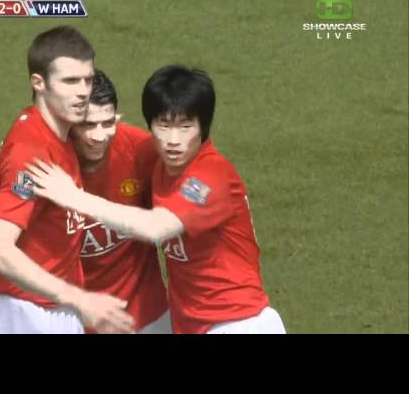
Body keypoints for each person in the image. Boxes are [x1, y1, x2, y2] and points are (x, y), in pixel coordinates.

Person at [26, 65, 286, 334]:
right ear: (149, 125)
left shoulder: (211, 176)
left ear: (203, 127)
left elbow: (156, 228)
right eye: (164, 126)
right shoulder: (158, 164)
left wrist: (73, 197)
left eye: (185, 127)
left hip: (239, 322)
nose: (173, 140)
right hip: (193, 325)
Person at [0, 26, 135, 334]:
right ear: (39, 82)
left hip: (44, 307)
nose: (82, 91)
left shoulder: (52, 131)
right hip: (24, 311)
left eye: (87, 79)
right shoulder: (31, 152)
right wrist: (75, 297)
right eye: (70, 81)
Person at [70, 69, 170, 334]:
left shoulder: (141, 151)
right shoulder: (46, 163)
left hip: (147, 318)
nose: (99, 136)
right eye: (88, 125)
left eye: (107, 123)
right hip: (75, 321)